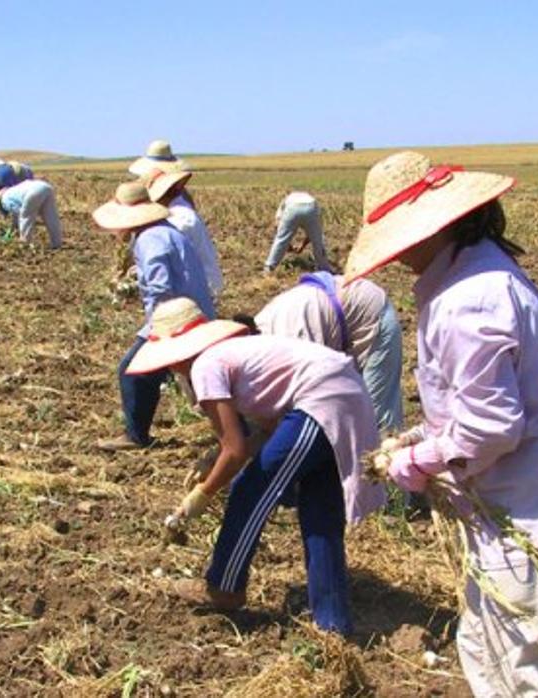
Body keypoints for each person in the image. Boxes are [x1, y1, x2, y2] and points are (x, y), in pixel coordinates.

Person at [347, 151, 538, 696]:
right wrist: (423, 435)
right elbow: (481, 407)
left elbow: (492, 428)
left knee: (525, 673)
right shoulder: (481, 277)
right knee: (485, 647)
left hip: (536, 507)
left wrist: (415, 461)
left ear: (433, 228)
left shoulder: (467, 300)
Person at [127, 297, 386, 635]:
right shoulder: (231, 353)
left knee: (249, 488)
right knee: (318, 512)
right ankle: (332, 622)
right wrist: (215, 461)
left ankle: (224, 587)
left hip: (320, 401)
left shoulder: (205, 366)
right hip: (342, 396)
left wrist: (202, 494)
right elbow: (262, 434)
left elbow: (233, 451)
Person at [91, 182, 215, 451]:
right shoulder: (163, 232)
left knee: (133, 371)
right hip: (193, 313)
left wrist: (159, 332)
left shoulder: (149, 239)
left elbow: (160, 287)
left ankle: (136, 436)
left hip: (177, 318)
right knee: (202, 376)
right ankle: (237, 427)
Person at [253, 272, 403, 431]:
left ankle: (390, 451)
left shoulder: (291, 338)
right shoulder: (263, 327)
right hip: (341, 322)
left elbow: (316, 390)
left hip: (371, 314)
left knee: (374, 416)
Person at [143, 168, 224, 297]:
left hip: (200, 287)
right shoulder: (179, 210)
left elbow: (166, 257)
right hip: (196, 283)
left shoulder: (180, 219)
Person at [265, 191, 331, 273]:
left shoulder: (285, 201)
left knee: (280, 240)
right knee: (318, 241)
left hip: (292, 208)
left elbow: (278, 227)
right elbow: (314, 233)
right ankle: (324, 269)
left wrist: (287, 245)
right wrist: (302, 246)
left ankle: (269, 268)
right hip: (311, 206)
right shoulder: (312, 200)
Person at [0, 179, 63, 249]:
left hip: (33, 192)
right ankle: (57, 243)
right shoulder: (12, 190)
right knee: (51, 217)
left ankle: (25, 243)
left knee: (25, 218)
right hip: (46, 187)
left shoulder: (4, 200)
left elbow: (20, 213)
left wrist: (13, 228)